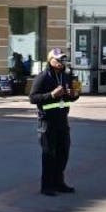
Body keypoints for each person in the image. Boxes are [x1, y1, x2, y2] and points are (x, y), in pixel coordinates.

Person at [29, 48, 80, 196]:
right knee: (49, 154)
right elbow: (33, 98)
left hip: (62, 119)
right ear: (50, 61)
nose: (61, 63)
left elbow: (72, 95)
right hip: (47, 121)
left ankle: (59, 182)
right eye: (58, 60)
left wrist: (74, 95)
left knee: (63, 152)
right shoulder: (43, 77)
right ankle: (47, 186)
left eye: (63, 60)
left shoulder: (66, 76)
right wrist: (51, 94)